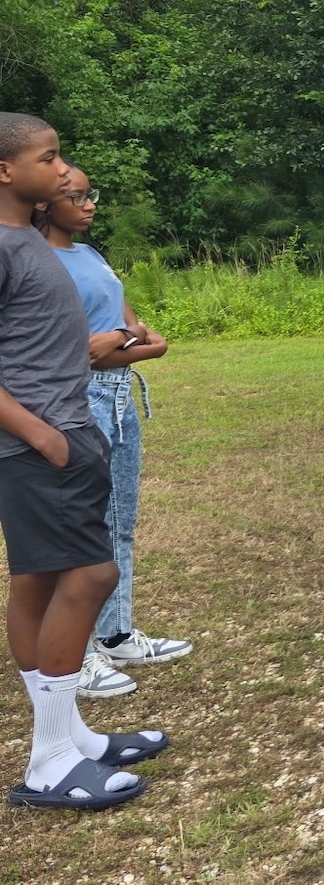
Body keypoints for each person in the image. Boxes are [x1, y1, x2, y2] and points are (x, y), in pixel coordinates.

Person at [1, 115, 167, 810]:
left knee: (38, 580)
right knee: (92, 571)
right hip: (40, 444)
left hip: (65, 430)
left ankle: (72, 739)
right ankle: (48, 762)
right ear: (8, 171)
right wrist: (43, 437)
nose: (64, 170)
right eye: (51, 157)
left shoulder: (25, 239)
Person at [38, 168, 190, 698]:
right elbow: (71, 350)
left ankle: (116, 633)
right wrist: (113, 344)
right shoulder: (37, 262)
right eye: (75, 196)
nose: (89, 205)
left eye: (90, 195)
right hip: (78, 397)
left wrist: (120, 337)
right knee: (81, 527)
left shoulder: (93, 258)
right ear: (43, 204)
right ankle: (73, 658)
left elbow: (152, 338)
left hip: (120, 394)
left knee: (120, 521)